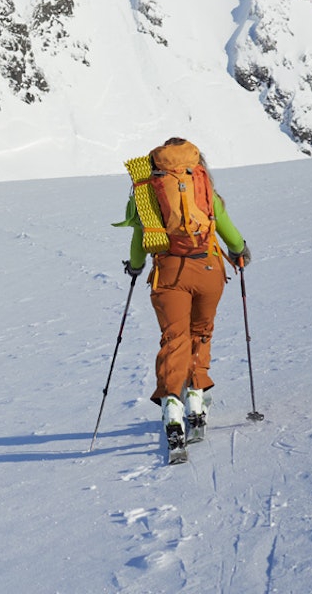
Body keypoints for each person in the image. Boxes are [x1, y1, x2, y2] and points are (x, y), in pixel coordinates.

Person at [120, 138, 251, 445]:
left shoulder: (146, 190)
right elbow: (225, 227)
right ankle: (195, 395)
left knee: (174, 338)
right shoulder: (202, 186)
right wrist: (240, 250)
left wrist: (135, 267)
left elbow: (141, 238)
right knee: (201, 332)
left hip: (168, 275)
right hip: (208, 269)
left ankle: (172, 406)